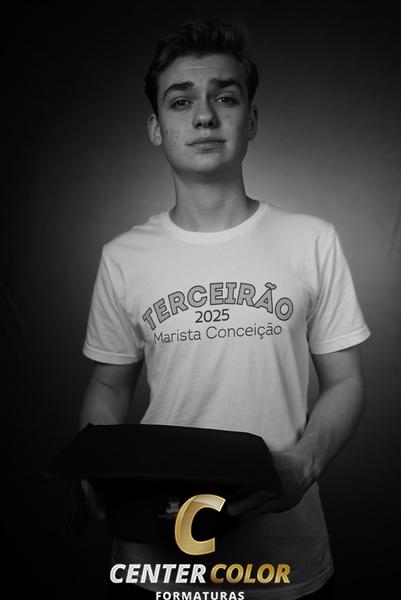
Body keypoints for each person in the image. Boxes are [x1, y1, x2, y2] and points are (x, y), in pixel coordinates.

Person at [79, 18, 370, 600]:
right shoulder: (123, 256)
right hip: (157, 553)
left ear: (250, 120)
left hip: (282, 558)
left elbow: (345, 381)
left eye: (225, 97)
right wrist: (94, 460)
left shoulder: (312, 240)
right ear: (156, 128)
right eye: (181, 101)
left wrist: (305, 464)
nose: (205, 116)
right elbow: (109, 385)